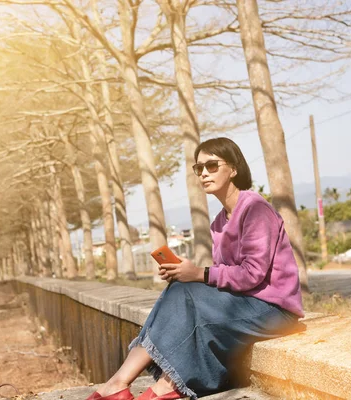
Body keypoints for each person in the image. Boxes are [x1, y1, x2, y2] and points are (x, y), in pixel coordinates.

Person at [86, 138, 304, 400]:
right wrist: (185, 274)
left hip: (274, 311)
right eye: (198, 168)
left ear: (233, 169)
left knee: (188, 292)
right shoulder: (219, 221)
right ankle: (123, 383)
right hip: (245, 305)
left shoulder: (255, 208)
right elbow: (226, 276)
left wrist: (199, 274)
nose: (203, 173)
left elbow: (252, 274)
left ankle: (153, 386)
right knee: (180, 287)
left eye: (212, 165)